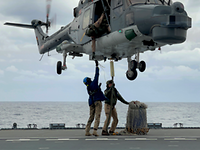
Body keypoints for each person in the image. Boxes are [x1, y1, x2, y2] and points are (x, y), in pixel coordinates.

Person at [83, 60, 107, 136]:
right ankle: (95, 131)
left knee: (91, 117)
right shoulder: (94, 84)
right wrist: (97, 67)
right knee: (97, 116)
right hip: (97, 101)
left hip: (91, 102)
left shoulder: (88, 88)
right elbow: (97, 75)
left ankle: (87, 131)